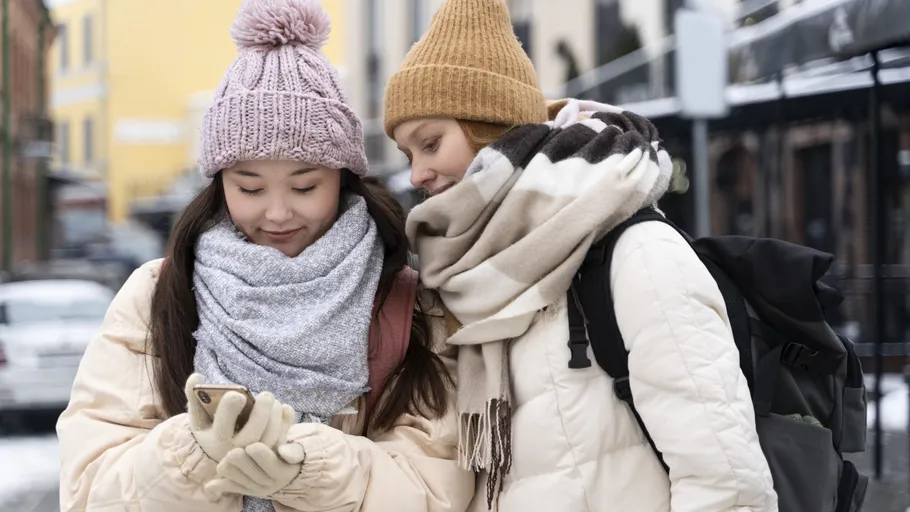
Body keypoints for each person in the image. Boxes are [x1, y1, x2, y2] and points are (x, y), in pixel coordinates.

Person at [56, 1, 474, 511]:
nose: (277, 213)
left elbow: (439, 489)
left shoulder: (407, 300)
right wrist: (193, 452)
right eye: (249, 188)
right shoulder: (158, 294)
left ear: (343, 180)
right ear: (218, 183)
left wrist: (311, 470)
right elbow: (89, 492)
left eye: (304, 186)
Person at [384, 0, 778, 511]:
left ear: (487, 122)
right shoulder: (462, 282)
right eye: (407, 154)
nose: (416, 175)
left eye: (430, 143)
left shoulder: (635, 253)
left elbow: (727, 484)